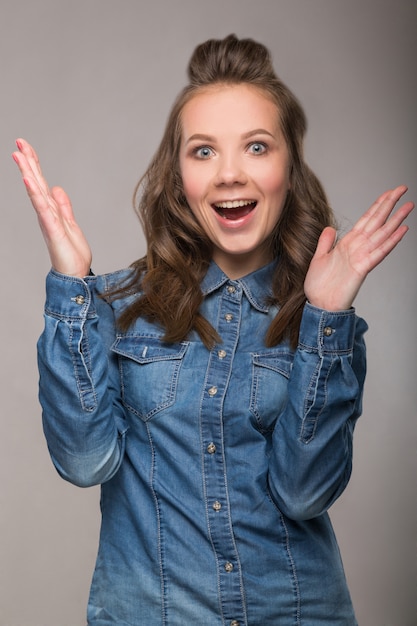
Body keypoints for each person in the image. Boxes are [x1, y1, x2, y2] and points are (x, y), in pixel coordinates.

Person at [13, 34, 413, 626]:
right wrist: (72, 286)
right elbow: (84, 462)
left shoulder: (322, 319)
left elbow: (305, 493)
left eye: (256, 146)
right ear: (179, 177)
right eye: (203, 152)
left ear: (288, 168)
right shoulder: (123, 305)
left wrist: (325, 317)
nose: (229, 174)